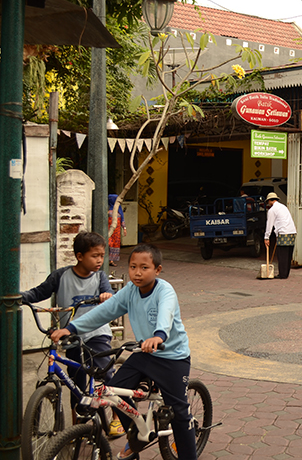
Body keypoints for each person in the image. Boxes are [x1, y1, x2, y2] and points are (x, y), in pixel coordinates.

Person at [50, 243, 197, 460]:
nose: (137, 273)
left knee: (180, 413)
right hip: (144, 354)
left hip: (171, 356)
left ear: (157, 270)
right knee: (114, 391)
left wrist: (158, 336)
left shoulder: (164, 290)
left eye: (144, 267)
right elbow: (103, 312)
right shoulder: (130, 291)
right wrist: (70, 328)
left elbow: (165, 316)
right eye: (133, 267)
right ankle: (136, 436)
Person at [21, 231, 123, 434]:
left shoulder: (100, 277)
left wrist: (106, 295)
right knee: (76, 383)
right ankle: (78, 428)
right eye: (94, 255)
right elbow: (38, 292)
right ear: (79, 256)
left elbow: (109, 293)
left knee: (104, 371)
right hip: (71, 337)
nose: (99, 260)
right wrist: (18, 297)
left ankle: (117, 417)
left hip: (96, 333)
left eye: (101, 256)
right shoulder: (60, 276)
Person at [264, 192, 297, 279]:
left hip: (283, 232)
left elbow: (269, 224)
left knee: (282, 254)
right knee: (288, 254)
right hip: (292, 232)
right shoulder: (283, 207)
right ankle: (285, 273)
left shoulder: (272, 210)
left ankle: (282, 274)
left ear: (270, 201)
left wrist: (266, 237)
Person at [108, 194, 126, 267]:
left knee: (114, 245)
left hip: (116, 232)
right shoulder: (107, 209)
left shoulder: (118, 210)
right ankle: (108, 259)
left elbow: (122, 219)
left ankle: (111, 260)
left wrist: (124, 228)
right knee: (108, 244)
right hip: (109, 231)